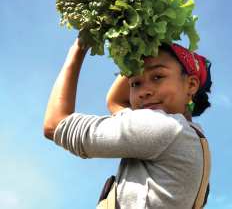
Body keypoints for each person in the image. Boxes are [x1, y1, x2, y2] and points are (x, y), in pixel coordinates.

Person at [43, 37, 212, 209]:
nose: (143, 92)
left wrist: (77, 50)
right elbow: (115, 101)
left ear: (191, 84)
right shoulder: (192, 136)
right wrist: (139, 41)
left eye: (157, 76)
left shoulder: (165, 128)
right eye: (135, 83)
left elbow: (55, 125)